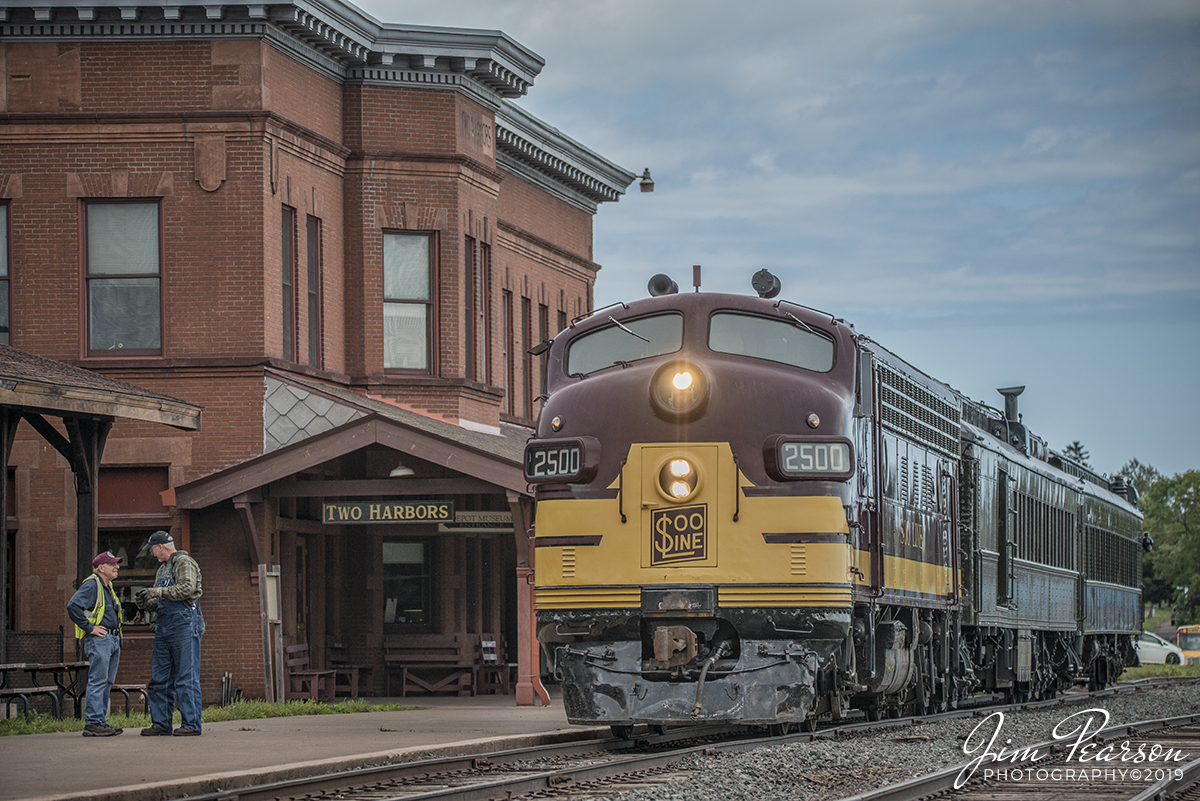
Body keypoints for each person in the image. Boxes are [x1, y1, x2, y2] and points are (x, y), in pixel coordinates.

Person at [134, 530, 204, 736]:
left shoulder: (184, 562)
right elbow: (160, 600)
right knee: (160, 677)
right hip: (164, 624)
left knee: (186, 675)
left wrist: (156, 592)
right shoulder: (163, 569)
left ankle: (191, 724)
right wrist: (146, 602)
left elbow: (188, 589)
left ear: (160, 547)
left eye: (153, 550)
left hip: (184, 622)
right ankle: (161, 723)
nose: (152, 555)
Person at [66, 551, 125, 736]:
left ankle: (100, 722)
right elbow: (73, 606)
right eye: (112, 564)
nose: (117, 567)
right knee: (98, 681)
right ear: (101, 567)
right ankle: (93, 722)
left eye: (117, 564)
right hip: (100, 640)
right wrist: (90, 628)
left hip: (112, 640)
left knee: (106, 682)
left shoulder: (108, 586)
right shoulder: (92, 584)